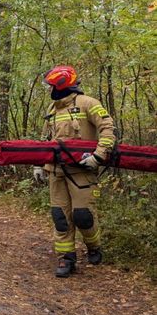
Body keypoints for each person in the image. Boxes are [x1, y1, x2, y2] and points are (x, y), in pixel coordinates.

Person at [34, 66, 116, 278]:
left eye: (51, 86)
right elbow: (46, 140)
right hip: (56, 172)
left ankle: (94, 246)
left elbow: (107, 128)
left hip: (82, 171)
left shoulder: (88, 103)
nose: (50, 90)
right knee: (60, 217)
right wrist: (39, 164)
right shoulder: (52, 109)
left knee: (83, 216)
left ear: (61, 85)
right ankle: (66, 258)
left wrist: (98, 156)